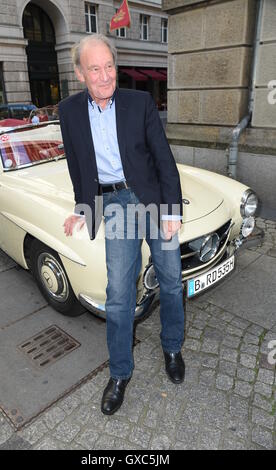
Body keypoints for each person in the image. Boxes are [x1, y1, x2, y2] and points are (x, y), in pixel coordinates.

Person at [59, 34, 185, 416]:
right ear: (80, 73)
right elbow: (77, 165)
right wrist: (84, 209)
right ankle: (119, 373)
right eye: (94, 68)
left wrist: (171, 211)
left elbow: (163, 158)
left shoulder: (140, 102)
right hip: (113, 205)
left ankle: (172, 347)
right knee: (118, 292)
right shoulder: (69, 111)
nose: (104, 75)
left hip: (149, 198)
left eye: (109, 66)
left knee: (171, 279)